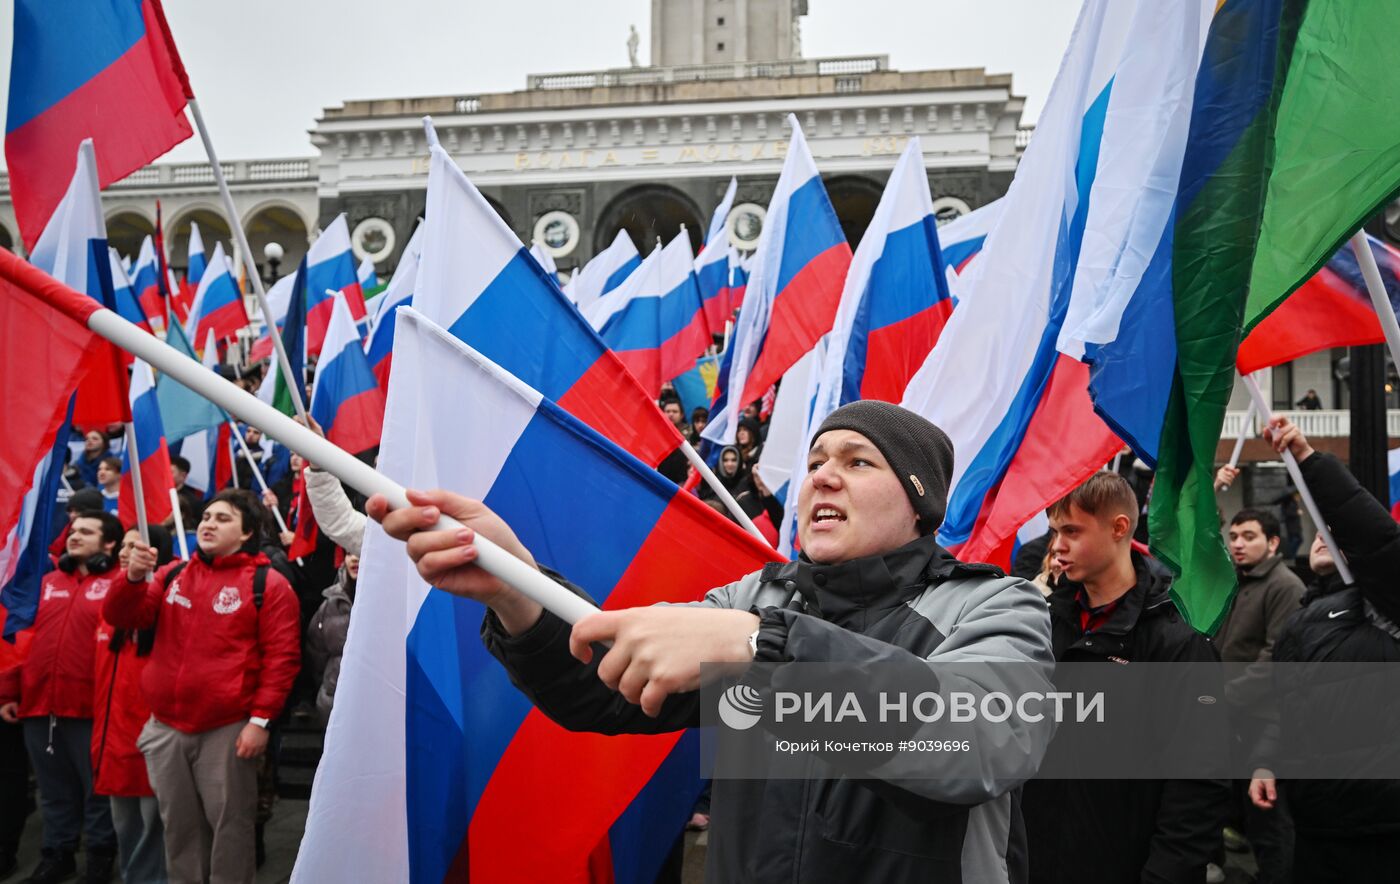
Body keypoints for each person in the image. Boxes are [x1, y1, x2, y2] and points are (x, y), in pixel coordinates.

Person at [372, 400, 1057, 881]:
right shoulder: (754, 600)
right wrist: (516, 587)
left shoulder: (994, 604)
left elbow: (978, 744)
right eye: (817, 459)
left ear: (919, 503)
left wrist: (767, 645)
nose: (822, 475)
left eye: (858, 463)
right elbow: (609, 682)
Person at [1021, 472, 1228, 884]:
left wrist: (1164, 875)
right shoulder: (1041, 625)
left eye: (1071, 531)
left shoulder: (1177, 641)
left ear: (1118, 528)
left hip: (1126, 864)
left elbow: (1199, 780)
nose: (1057, 546)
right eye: (1055, 532)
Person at [105, 490, 301, 884]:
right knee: (179, 830)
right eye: (207, 516)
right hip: (167, 727)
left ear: (247, 532)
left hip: (228, 729)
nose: (209, 524)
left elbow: (282, 659)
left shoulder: (269, 584)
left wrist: (260, 722)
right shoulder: (173, 574)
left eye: (223, 519)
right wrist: (133, 578)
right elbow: (124, 615)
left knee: (231, 831)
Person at [1248, 417, 1400, 883]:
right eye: (1317, 530)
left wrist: (1307, 459)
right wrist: (1267, 760)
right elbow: (1289, 704)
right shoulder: (1303, 616)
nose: (1321, 534)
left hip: (1383, 826)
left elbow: (1375, 535)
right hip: (1315, 825)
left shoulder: (1385, 605)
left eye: (1332, 530)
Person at [0, 512, 123, 884]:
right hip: (39, 705)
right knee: (53, 791)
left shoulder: (119, 584)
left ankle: (100, 856)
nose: (75, 536)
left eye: (86, 532)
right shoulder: (46, 583)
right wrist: (10, 691)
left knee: (96, 791)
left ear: (109, 544)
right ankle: (58, 854)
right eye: (73, 531)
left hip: (91, 708)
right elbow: (23, 639)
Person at [1215, 508, 1303, 883]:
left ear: (1273, 542)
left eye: (1249, 537)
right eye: (1234, 536)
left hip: (1265, 722)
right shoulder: (1236, 582)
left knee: (1267, 820)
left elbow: (1274, 659)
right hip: (1231, 719)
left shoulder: (1285, 586)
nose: (1238, 544)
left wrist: (1223, 698)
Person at [94, 527, 174, 884]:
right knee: (126, 829)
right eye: (124, 545)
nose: (125, 552)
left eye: (135, 545)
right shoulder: (113, 601)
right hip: (113, 740)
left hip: (151, 737)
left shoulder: (169, 598)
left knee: (155, 832)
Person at [304, 556, 359, 724]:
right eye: (349, 553)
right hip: (334, 702)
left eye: (359, 552)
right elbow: (316, 652)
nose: (354, 558)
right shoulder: (331, 603)